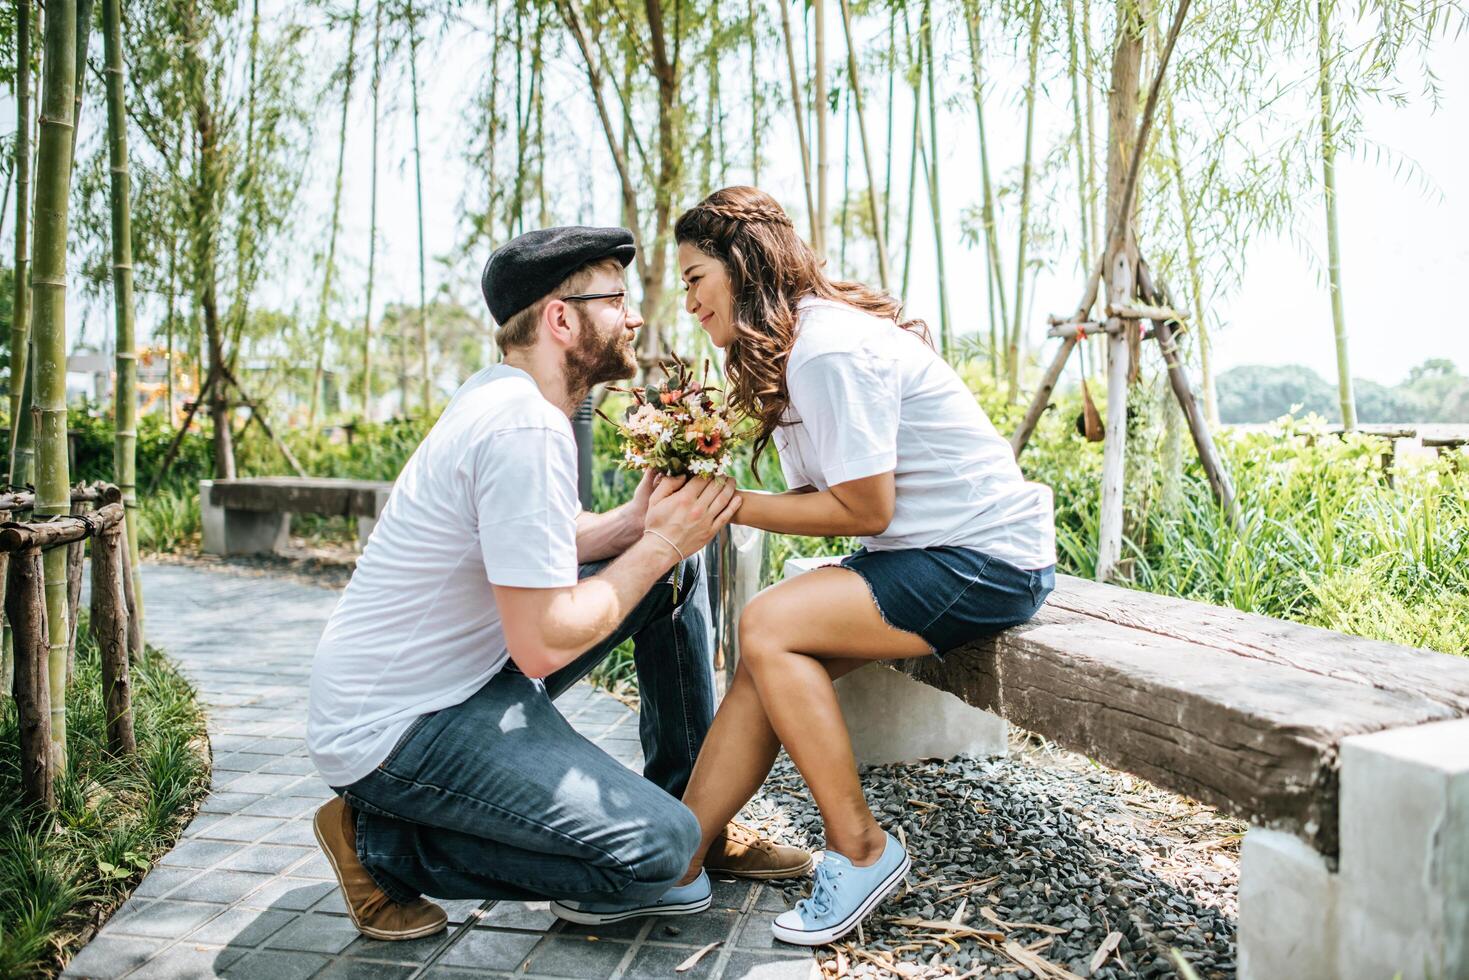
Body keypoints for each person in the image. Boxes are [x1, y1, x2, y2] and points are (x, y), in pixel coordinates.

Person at [556, 189, 1056, 944]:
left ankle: (862, 848)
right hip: (926, 553)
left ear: (741, 266)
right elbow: (830, 498)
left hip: (983, 561)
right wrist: (707, 491)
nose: (688, 301)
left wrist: (721, 505)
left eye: (694, 278)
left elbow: (863, 511)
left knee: (768, 622)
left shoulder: (827, 349)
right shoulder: (793, 346)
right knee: (766, 652)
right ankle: (678, 862)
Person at [306, 226, 810, 942]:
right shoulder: (518, 427)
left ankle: (698, 805)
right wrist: (663, 540)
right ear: (562, 318)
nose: (635, 317)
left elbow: (538, 548)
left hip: (459, 678)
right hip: (399, 725)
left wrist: (635, 524)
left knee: (672, 576)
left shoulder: (507, 399)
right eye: (619, 300)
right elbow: (542, 644)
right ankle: (378, 843)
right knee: (660, 855)